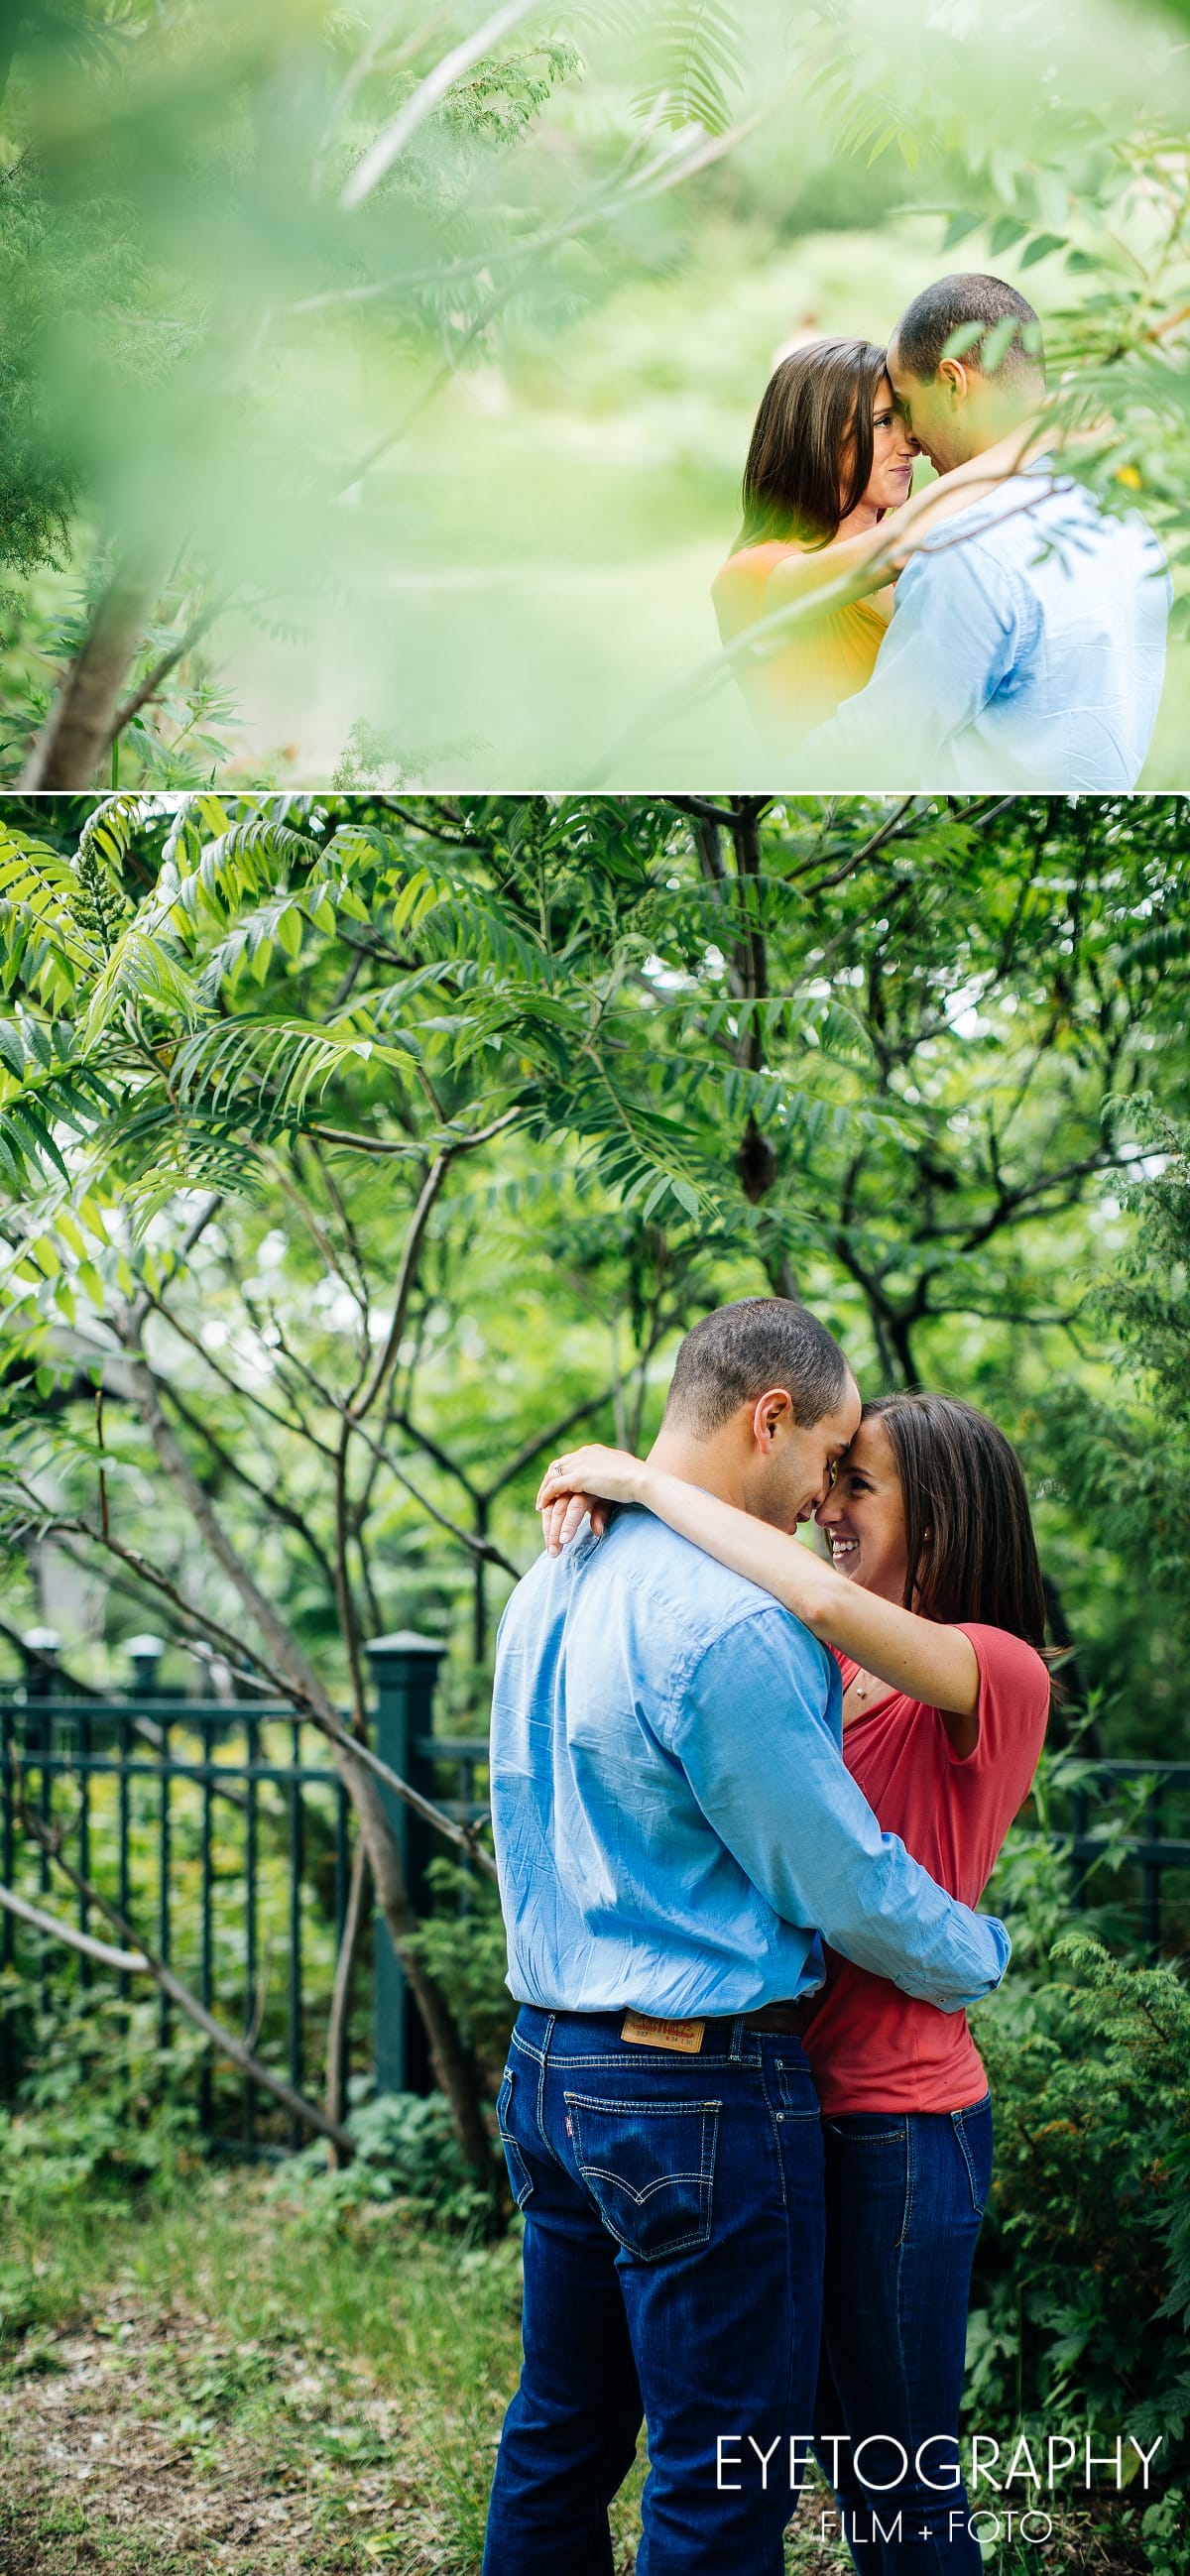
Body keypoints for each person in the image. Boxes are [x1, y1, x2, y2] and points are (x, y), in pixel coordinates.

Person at [483, 1300, 1012, 2576]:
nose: (827, 1496)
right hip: (689, 2090)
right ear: (771, 1418)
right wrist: (978, 1954)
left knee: (558, 2438)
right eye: (830, 1458)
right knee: (719, 2480)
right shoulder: (731, 1620)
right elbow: (842, 1880)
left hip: (548, 2060)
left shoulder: (549, 1581)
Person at [797, 273, 1171, 788]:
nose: (912, 437)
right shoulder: (1129, 524)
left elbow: (870, 752)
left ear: (953, 383)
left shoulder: (970, 552)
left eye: (907, 405)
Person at [711, 334, 1047, 746]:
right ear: (816, 434)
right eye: (884, 422)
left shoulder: (917, 566)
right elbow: (891, 550)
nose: (912, 442)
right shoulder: (750, 575)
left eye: (907, 417)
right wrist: (1038, 437)